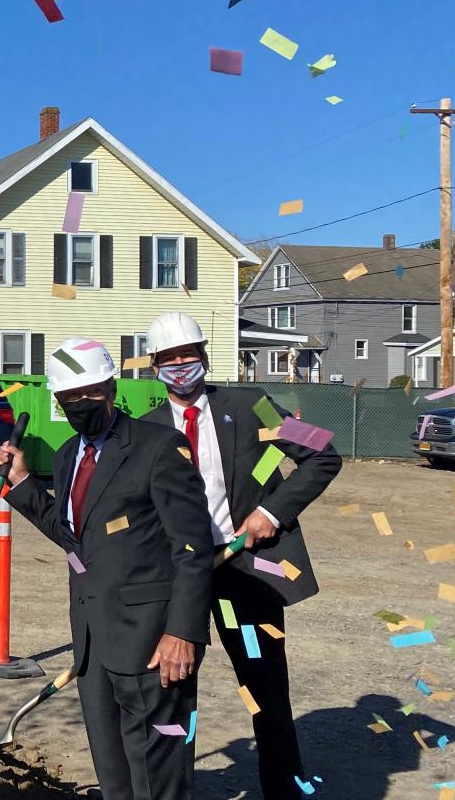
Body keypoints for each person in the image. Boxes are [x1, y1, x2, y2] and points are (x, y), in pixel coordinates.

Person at [0, 337, 213, 800]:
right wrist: (22, 483)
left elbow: (192, 548)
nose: (82, 403)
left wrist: (183, 632)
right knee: (114, 774)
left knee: (159, 774)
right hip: (93, 643)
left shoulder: (159, 447)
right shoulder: (65, 455)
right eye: (70, 396)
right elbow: (75, 538)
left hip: (153, 642)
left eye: (91, 392)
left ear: (112, 388)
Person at [142, 312, 342, 799]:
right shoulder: (145, 429)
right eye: (169, 358)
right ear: (154, 366)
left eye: (188, 354)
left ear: (204, 357)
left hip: (245, 573)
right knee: (171, 690)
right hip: (180, 578)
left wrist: (271, 513)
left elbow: (322, 453)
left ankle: (283, 789)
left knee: (265, 687)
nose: (181, 365)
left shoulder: (252, 407)